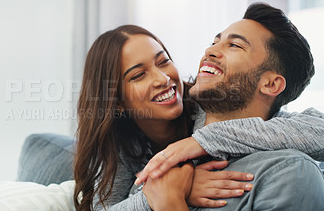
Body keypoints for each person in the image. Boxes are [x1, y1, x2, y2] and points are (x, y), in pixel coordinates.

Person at [74, 13, 324, 211]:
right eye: (138, 75)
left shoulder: (212, 102)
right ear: (116, 101)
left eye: (163, 62)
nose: (162, 78)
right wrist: (175, 188)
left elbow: (316, 130)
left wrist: (200, 141)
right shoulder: (116, 141)